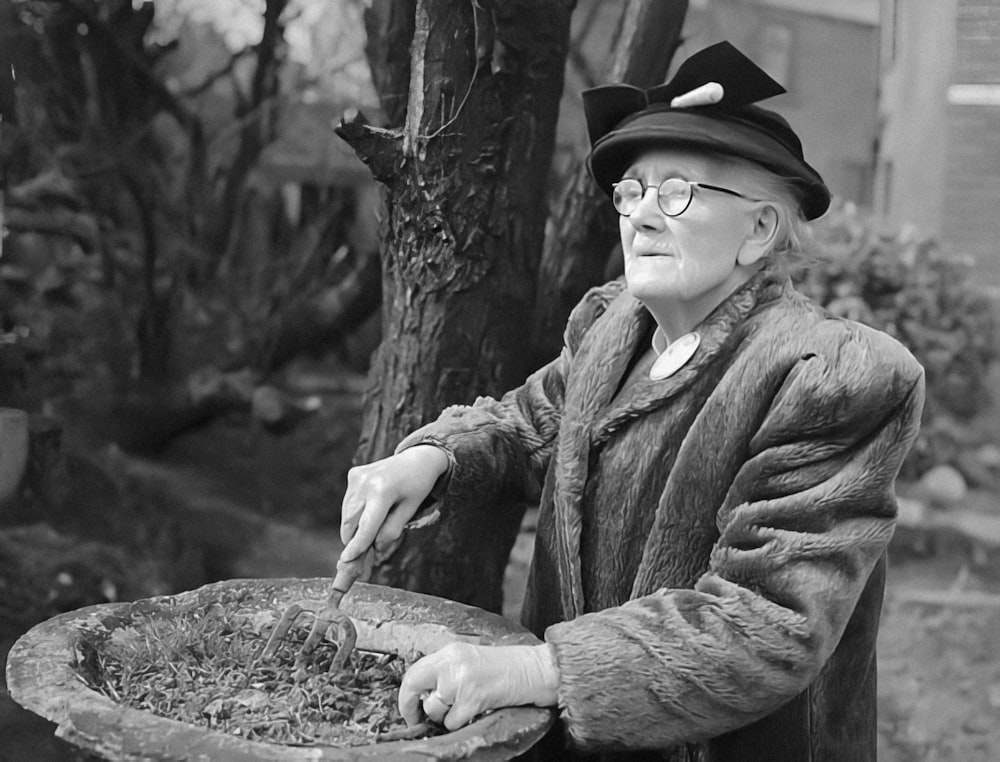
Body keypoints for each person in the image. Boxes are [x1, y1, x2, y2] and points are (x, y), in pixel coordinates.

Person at [338, 41, 924, 761]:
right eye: (632, 191)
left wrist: (539, 669)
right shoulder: (610, 328)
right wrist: (432, 458)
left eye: (677, 192)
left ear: (760, 230)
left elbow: (770, 621)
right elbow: (532, 424)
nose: (642, 216)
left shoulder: (830, 375)